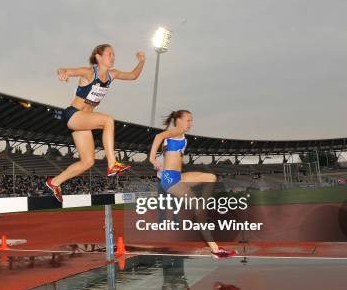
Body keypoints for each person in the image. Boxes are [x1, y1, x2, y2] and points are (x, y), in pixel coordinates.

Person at [46, 44, 145, 202]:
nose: (112, 57)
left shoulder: (113, 75)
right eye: (109, 54)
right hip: (73, 114)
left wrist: (141, 61)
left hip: (83, 122)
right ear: (98, 57)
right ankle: (112, 163)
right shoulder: (89, 73)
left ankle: (54, 182)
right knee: (108, 120)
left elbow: (133, 76)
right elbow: (66, 70)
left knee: (88, 162)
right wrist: (62, 73)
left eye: (113, 54)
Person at [149, 110, 236, 259]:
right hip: (171, 179)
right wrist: (152, 158)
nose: (191, 123)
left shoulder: (180, 134)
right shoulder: (176, 131)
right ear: (179, 121)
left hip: (178, 176)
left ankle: (201, 209)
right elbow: (159, 136)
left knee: (210, 177)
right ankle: (215, 249)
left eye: (191, 120)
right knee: (199, 206)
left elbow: (169, 152)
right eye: (188, 120)